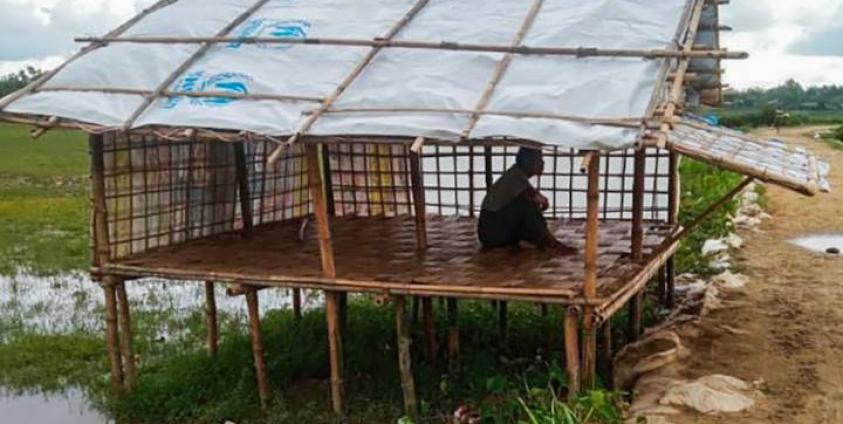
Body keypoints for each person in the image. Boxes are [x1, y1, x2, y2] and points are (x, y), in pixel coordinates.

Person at [477, 147, 575, 253]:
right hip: (492, 233)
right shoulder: (515, 177)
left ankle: (545, 240)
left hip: (490, 232)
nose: (543, 163)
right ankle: (548, 242)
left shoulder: (516, 174)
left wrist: (540, 201)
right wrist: (540, 202)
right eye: (539, 159)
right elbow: (534, 199)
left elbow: (537, 197)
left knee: (527, 206)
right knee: (527, 205)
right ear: (527, 162)